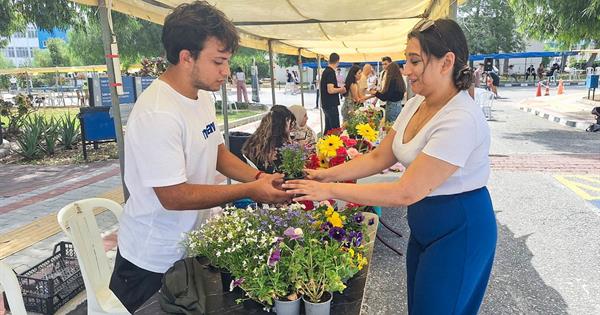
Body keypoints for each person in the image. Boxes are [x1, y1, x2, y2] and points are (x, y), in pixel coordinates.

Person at [284, 18, 496, 315]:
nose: (405, 70)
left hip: (460, 228)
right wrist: (325, 174)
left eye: (414, 61)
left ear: (446, 62)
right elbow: (378, 158)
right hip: (425, 224)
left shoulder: (460, 118)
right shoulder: (416, 104)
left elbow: (406, 192)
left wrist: (327, 190)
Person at [108, 2, 289, 312]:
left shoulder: (201, 97)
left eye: (228, 61)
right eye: (218, 61)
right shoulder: (159, 112)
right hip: (151, 261)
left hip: (189, 247)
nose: (226, 71)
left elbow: (218, 153)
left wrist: (260, 178)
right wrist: (248, 190)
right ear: (185, 57)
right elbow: (174, 196)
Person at [242, 105, 296, 173]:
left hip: (256, 175)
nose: (291, 125)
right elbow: (291, 169)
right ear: (286, 121)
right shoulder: (278, 145)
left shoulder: (255, 139)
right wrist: (289, 138)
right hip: (273, 179)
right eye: (290, 122)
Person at [320, 53, 347, 134]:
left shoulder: (326, 71)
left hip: (326, 104)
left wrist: (338, 88)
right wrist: (341, 89)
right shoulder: (330, 72)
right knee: (335, 130)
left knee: (328, 129)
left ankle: (324, 144)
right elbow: (330, 90)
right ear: (338, 61)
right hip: (331, 105)